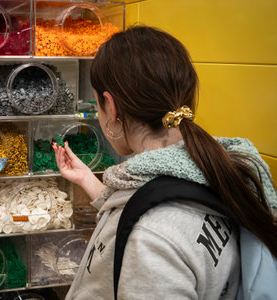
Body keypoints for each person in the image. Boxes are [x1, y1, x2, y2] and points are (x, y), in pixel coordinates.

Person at [52, 25, 277, 300]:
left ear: (111, 107)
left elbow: (154, 228)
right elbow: (153, 206)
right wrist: (88, 180)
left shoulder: (150, 240)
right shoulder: (220, 166)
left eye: (97, 105)